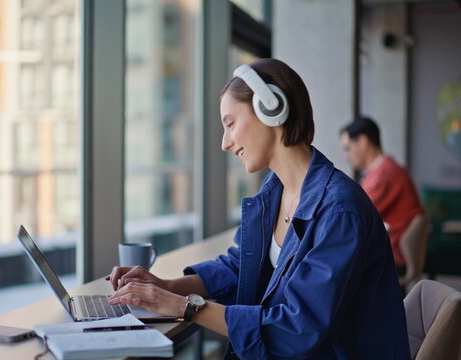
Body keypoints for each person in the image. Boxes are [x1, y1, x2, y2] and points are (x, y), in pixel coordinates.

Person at [107, 59, 410, 359]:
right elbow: (241, 266)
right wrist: (167, 286)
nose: (225, 142)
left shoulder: (340, 211)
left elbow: (294, 330)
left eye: (230, 123)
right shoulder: (274, 191)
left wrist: (183, 307)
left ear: (272, 109)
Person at [340, 117, 424, 273]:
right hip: (393, 251)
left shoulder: (383, 175)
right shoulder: (387, 168)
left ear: (363, 141)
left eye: (347, 148)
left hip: (390, 255)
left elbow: (353, 216)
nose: (346, 156)